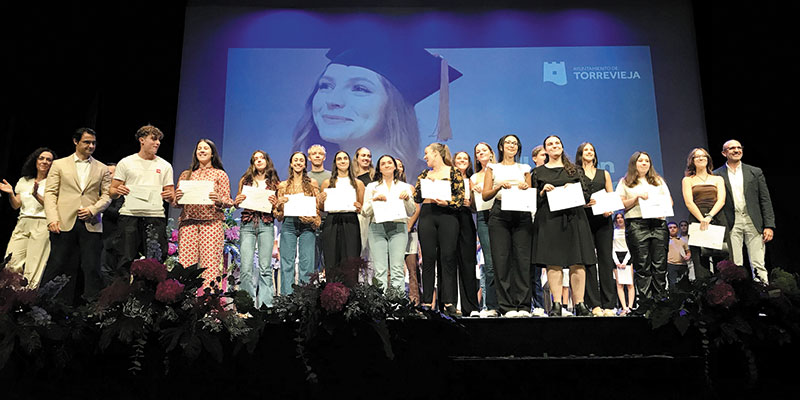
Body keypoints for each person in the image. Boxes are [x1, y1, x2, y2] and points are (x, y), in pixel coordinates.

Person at [291, 46, 462, 183]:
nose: (332, 100)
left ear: (393, 107)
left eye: (359, 88)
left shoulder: (425, 178)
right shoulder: (315, 178)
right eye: (326, 86)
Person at [41, 128, 111, 304]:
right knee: (58, 265)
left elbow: (107, 195)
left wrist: (93, 209)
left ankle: (91, 308)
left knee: (91, 267)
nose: (91, 146)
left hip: (91, 222)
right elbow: (50, 193)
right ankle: (46, 306)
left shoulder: (102, 168)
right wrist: (52, 219)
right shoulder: (59, 164)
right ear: (76, 141)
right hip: (63, 222)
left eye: (93, 143)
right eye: (87, 142)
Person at [532, 135, 596, 317]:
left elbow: (587, 195)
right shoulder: (538, 172)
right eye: (550, 144)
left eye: (557, 143)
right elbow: (532, 199)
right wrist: (542, 192)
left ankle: (580, 304)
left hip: (575, 219)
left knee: (578, 261)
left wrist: (574, 189)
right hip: (550, 221)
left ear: (562, 146)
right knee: (553, 262)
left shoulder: (575, 170)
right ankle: (557, 304)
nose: (554, 146)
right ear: (545, 150)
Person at [109, 125, 175, 271]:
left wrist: (170, 196)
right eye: (154, 139)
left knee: (155, 260)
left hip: (155, 216)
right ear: (142, 140)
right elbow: (112, 191)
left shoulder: (165, 165)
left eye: (159, 140)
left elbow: (171, 195)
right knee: (125, 259)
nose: (157, 143)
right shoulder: (126, 162)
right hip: (129, 216)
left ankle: (152, 286)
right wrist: (117, 191)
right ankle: (123, 286)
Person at [482, 134, 535, 318]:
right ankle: (506, 307)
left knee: (522, 260)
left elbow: (530, 192)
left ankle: (524, 306)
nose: (512, 145)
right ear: (501, 147)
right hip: (500, 214)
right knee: (501, 260)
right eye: (508, 143)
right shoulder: (493, 168)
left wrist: (525, 188)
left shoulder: (525, 168)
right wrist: (498, 187)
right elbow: (485, 195)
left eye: (515, 143)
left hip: (521, 213)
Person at [174, 139, 233, 291]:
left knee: (210, 265)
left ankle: (208, 300)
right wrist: (177, 198)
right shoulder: (186, 175)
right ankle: (186, 299)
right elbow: (176, 203)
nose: (201, 151)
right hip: (188, 223)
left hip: (211, 223)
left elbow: (228, 200)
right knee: (186, 265)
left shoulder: (220, 174)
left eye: (205, 148)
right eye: (199, 148)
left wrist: (219, 200)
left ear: (212, 153)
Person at [714, 139, 775, 284]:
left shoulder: (755, 172)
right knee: (734, 264)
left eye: (739, 147)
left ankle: (763, 291)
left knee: (758, 263)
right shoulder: (716, 175)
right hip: (731, 221)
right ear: (724, 153)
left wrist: (769, 225)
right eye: (732, 148)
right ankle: (739, 293)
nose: (736, 150)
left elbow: (765, 199)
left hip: (753, 220)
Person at [415, 143, 465, 316]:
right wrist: (424, 185)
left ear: (436, 153)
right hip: (428, 215)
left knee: (448, 257)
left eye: (427, 153)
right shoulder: (424, 174)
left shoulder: (453, 172)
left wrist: (447, 202)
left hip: (447, 216)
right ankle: (427, 301)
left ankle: (449, 301)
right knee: (428, 258)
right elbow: (417, 197)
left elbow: (459, 199)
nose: (425, 157)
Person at [616, 151, 672, 303]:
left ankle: (660, 301)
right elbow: (620, 203)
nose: (644, 163)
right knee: (642, 265)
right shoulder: (625, 182)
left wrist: (659, 204)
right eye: (640, 160)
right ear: (634, 163)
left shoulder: (658, 181)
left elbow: (670, 202)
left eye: (647, 161)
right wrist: (636, 198)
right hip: (637, 224)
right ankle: (645, 303)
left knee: (659, 265)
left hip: (658, 224)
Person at [1, 148, 56, 288]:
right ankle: (8, 294)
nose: (45, 161)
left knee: (34, 265)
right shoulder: (24, 181)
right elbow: (16, 205)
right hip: (23, 222)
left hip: (42, 223)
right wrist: (11, 194)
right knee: (12, 261)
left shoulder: (54, 182)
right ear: (35, 161)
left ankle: (28, 297)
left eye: (49, 159)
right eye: (41, 158)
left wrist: (37, 195)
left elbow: (52, 206)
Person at [233, 150, 280, 308]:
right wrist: (237, 201)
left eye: (262, 158)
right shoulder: (245, 180)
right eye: (255, 159)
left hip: (266, 224)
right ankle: (246, 306)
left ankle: (266, 307)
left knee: (265, 267)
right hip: (247, 224)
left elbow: (278, 208)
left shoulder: (274, 182)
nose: (259, 160)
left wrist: (276, 203)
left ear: (267, 161)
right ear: (252, 163)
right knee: (246, 267)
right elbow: (237, 203)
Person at [363, 154, 415, 293]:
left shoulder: (404, 187)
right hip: (377, 228)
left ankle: (397, 302)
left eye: (389, 163)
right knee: (380, 269)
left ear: (395, 166)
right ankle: (381, 302)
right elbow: (365, 211)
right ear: (379, 168)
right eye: (383, 163)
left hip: (398, 228)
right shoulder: (372, 187)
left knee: (397, 268)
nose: (386, 165)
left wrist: (407, 200)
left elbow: (411, 211)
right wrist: (374, 201)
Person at [576, 142, 617, 317]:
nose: (589, 152)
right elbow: (573, 198)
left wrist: (610, 209)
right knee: (589, 262)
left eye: (591, 150)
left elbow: (610, 195)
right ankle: (594, 304)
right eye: (586, 150)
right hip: (584, 220)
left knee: (606, 261)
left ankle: (609, 304)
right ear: (580, 154)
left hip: (604, 220)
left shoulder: (604, 173)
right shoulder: (575, 173)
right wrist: (583, 204)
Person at [274, 152, 321, 295]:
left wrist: (312, 218)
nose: (298, 162)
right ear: (291, 163)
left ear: (305, 164)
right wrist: (279, 204)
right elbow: (278, 215)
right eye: (296, 160)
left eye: (301, 160)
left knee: (307, 263)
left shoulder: (312, 183)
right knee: (287, 263)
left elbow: (317, 208)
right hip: (289, 224)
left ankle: (305, 298)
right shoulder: (282, 185)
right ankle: (287, 298)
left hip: (307, 226)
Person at [682, 147, 729, 279]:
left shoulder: (718, 179)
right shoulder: (688, 180)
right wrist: (701, 219)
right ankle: (704, 288)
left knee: (722, 257)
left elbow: (721, 200)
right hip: (697, 218)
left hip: (717, 217)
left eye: (703, 156)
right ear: (692, 161)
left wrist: (709, 217)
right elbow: (689, 202)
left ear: (708, 159)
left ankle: (725, 289)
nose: (701, 158)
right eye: (697, 156)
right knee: (700, 259)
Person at [318, 150, 364, 283]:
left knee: (350, 258)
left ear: (349, 162)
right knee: (331, 258)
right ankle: (332, 292)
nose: (342, 161)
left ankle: (351, 292)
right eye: (339, 159)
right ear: (335, 163)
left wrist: (359, 207)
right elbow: (322, 208)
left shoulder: (358, 183)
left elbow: (360, 206)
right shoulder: (327, 183)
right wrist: (321, 200)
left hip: (351, 222)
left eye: (345, 158)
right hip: (332, 221)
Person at [471, 142, 498, 317]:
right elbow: (473, 207)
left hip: (501, 214)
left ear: (491, 153)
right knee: (489, 263)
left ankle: (508, 302)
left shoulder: (500, 170)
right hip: (483, 217)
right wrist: (474, 193)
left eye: (484, 150)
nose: (481, 153)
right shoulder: (474, 177)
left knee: (503, 260)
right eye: (478, 152)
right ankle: (491, 305)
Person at [453, 151, 481, 317]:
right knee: (450, 263)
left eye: (465, 158)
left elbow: (476, 208)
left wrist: (471, 203)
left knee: (468, 264)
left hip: (466, 221)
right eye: (459, 158)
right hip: (450, 220)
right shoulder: (448, 179)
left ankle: (470, 306)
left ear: (469, 163)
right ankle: (450, 304)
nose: (462, 161)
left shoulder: (472, 180)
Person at [398, 159, 422, 304]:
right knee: (392, 269)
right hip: (392, 231)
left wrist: (408, 226)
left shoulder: (409, 187)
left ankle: (415, 302)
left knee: (413, 268)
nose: (398, 168)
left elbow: (416, 208)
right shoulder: (382, 187)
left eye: (400, 166)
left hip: (409, 232)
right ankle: (393, 301)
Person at [307, 144, 331, 274]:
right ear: (309, 157)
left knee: (329, 258)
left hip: (329, 220)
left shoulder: (331, 177)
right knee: (312, 259)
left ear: (324, 157)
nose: (317, 156)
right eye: (314, 153)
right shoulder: (305, 178)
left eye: (320, 154)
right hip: (311, 222)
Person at [529, 144, 547, 316]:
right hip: (533, 222)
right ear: (534, 158)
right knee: (534, 269)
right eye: (543, 155)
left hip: (549, 223)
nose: (546, 157)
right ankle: (537, 304)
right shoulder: (532, 175)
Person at [612, 212, 635, 315]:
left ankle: (630, 307)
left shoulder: (629, 231)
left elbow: (631, 246)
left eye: (621, 217)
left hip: (628, 256)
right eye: (617, 218)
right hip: (617, 256)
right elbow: (612, 247)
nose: (619, 220)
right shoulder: (613, 232)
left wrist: (625, 261)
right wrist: (617, 261)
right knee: (619, 284)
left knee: (630, 284)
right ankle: (624, 307)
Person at [666, 221, 691, 289]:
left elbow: (688, 251)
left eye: (674, 227)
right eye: (670, 228)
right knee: (673, 284)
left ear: (677, 229)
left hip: (683, 265)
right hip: (671, 264)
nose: (672, 229)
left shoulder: (683, 241)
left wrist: (688, 256)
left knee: (684, 284)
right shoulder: (665, 241)